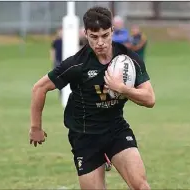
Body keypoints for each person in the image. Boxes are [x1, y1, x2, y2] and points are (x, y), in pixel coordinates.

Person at [29, 6, 155, 190]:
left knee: (141, 186)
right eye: (94, 37)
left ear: (112, 31)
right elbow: (39, 88)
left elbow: (149, 99)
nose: (100, 42)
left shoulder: (129, 59)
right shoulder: (77, 64)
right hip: (84, 136)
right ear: (86, 34)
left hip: (116, 130)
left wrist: (122, 88)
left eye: (105, 35)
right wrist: (35, 127)